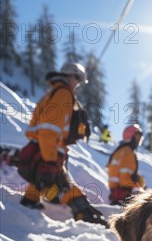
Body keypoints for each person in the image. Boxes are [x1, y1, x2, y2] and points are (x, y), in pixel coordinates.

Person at [19, 62, 108, 227]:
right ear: (69, 76)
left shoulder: (54, 92)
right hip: (49, 152)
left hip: (44, 150)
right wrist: (50, 161)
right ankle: (86, 218)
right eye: (77, 79)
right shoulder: (63, 94)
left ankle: (26, 206)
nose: (78, 84)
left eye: (81, 81)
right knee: (65, 187)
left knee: (42, 182)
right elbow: (48, 130)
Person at [106, 124, 146, 206]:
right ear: (131, 136)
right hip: (124, 194)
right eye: (137, 135)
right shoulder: (127, 151)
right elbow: (124, 176)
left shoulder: (121, 150)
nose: (139, 139)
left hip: (117, 193)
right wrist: (136, 185)